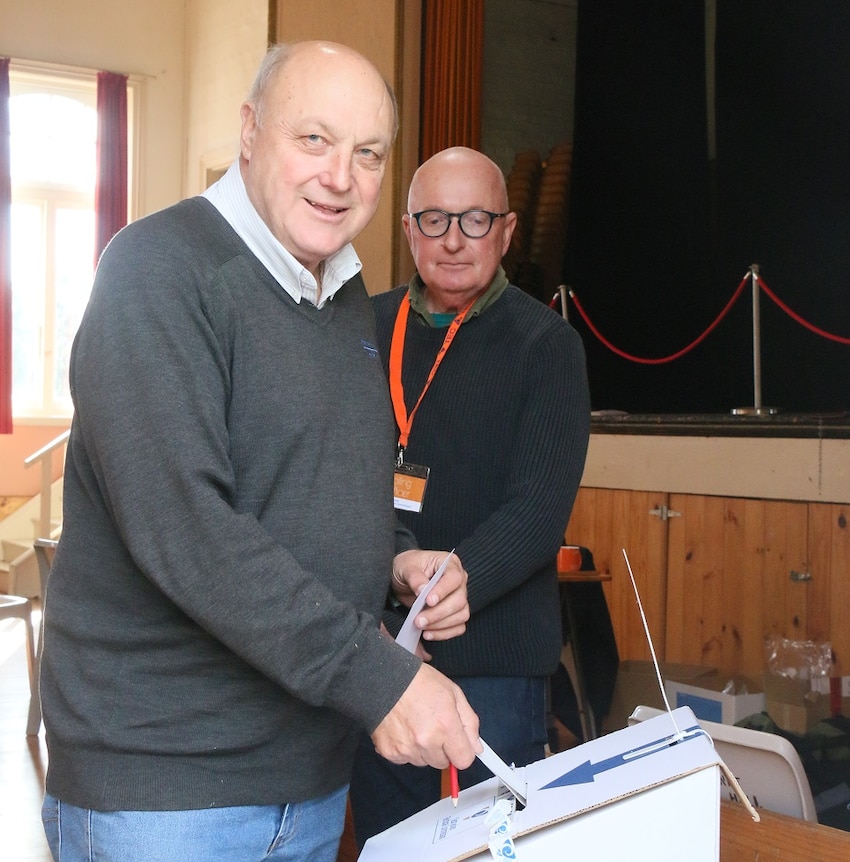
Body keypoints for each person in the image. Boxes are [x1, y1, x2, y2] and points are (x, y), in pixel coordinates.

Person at [39, 42, 481, 862]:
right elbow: (189, 531)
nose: (340, 176)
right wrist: (380, 679)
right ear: (249, 132)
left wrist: (397, 562)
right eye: (313, 140)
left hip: (310, 780)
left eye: (368, 153)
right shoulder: (157, 271)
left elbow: (308, 493)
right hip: (166, 794)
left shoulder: (342, 293)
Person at [350, 146, 591, 848]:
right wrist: (397, 569)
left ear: (508, 232)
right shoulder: (361, 329)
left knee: (488, 849)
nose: (453, 238)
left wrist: (458, 576)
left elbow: (540, 508)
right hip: (380, 656)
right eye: (435, 219)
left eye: (476, 219)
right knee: (390, 843)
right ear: (407, 230)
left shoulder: (548, 346)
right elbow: (337, 484)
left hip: (496, 664)